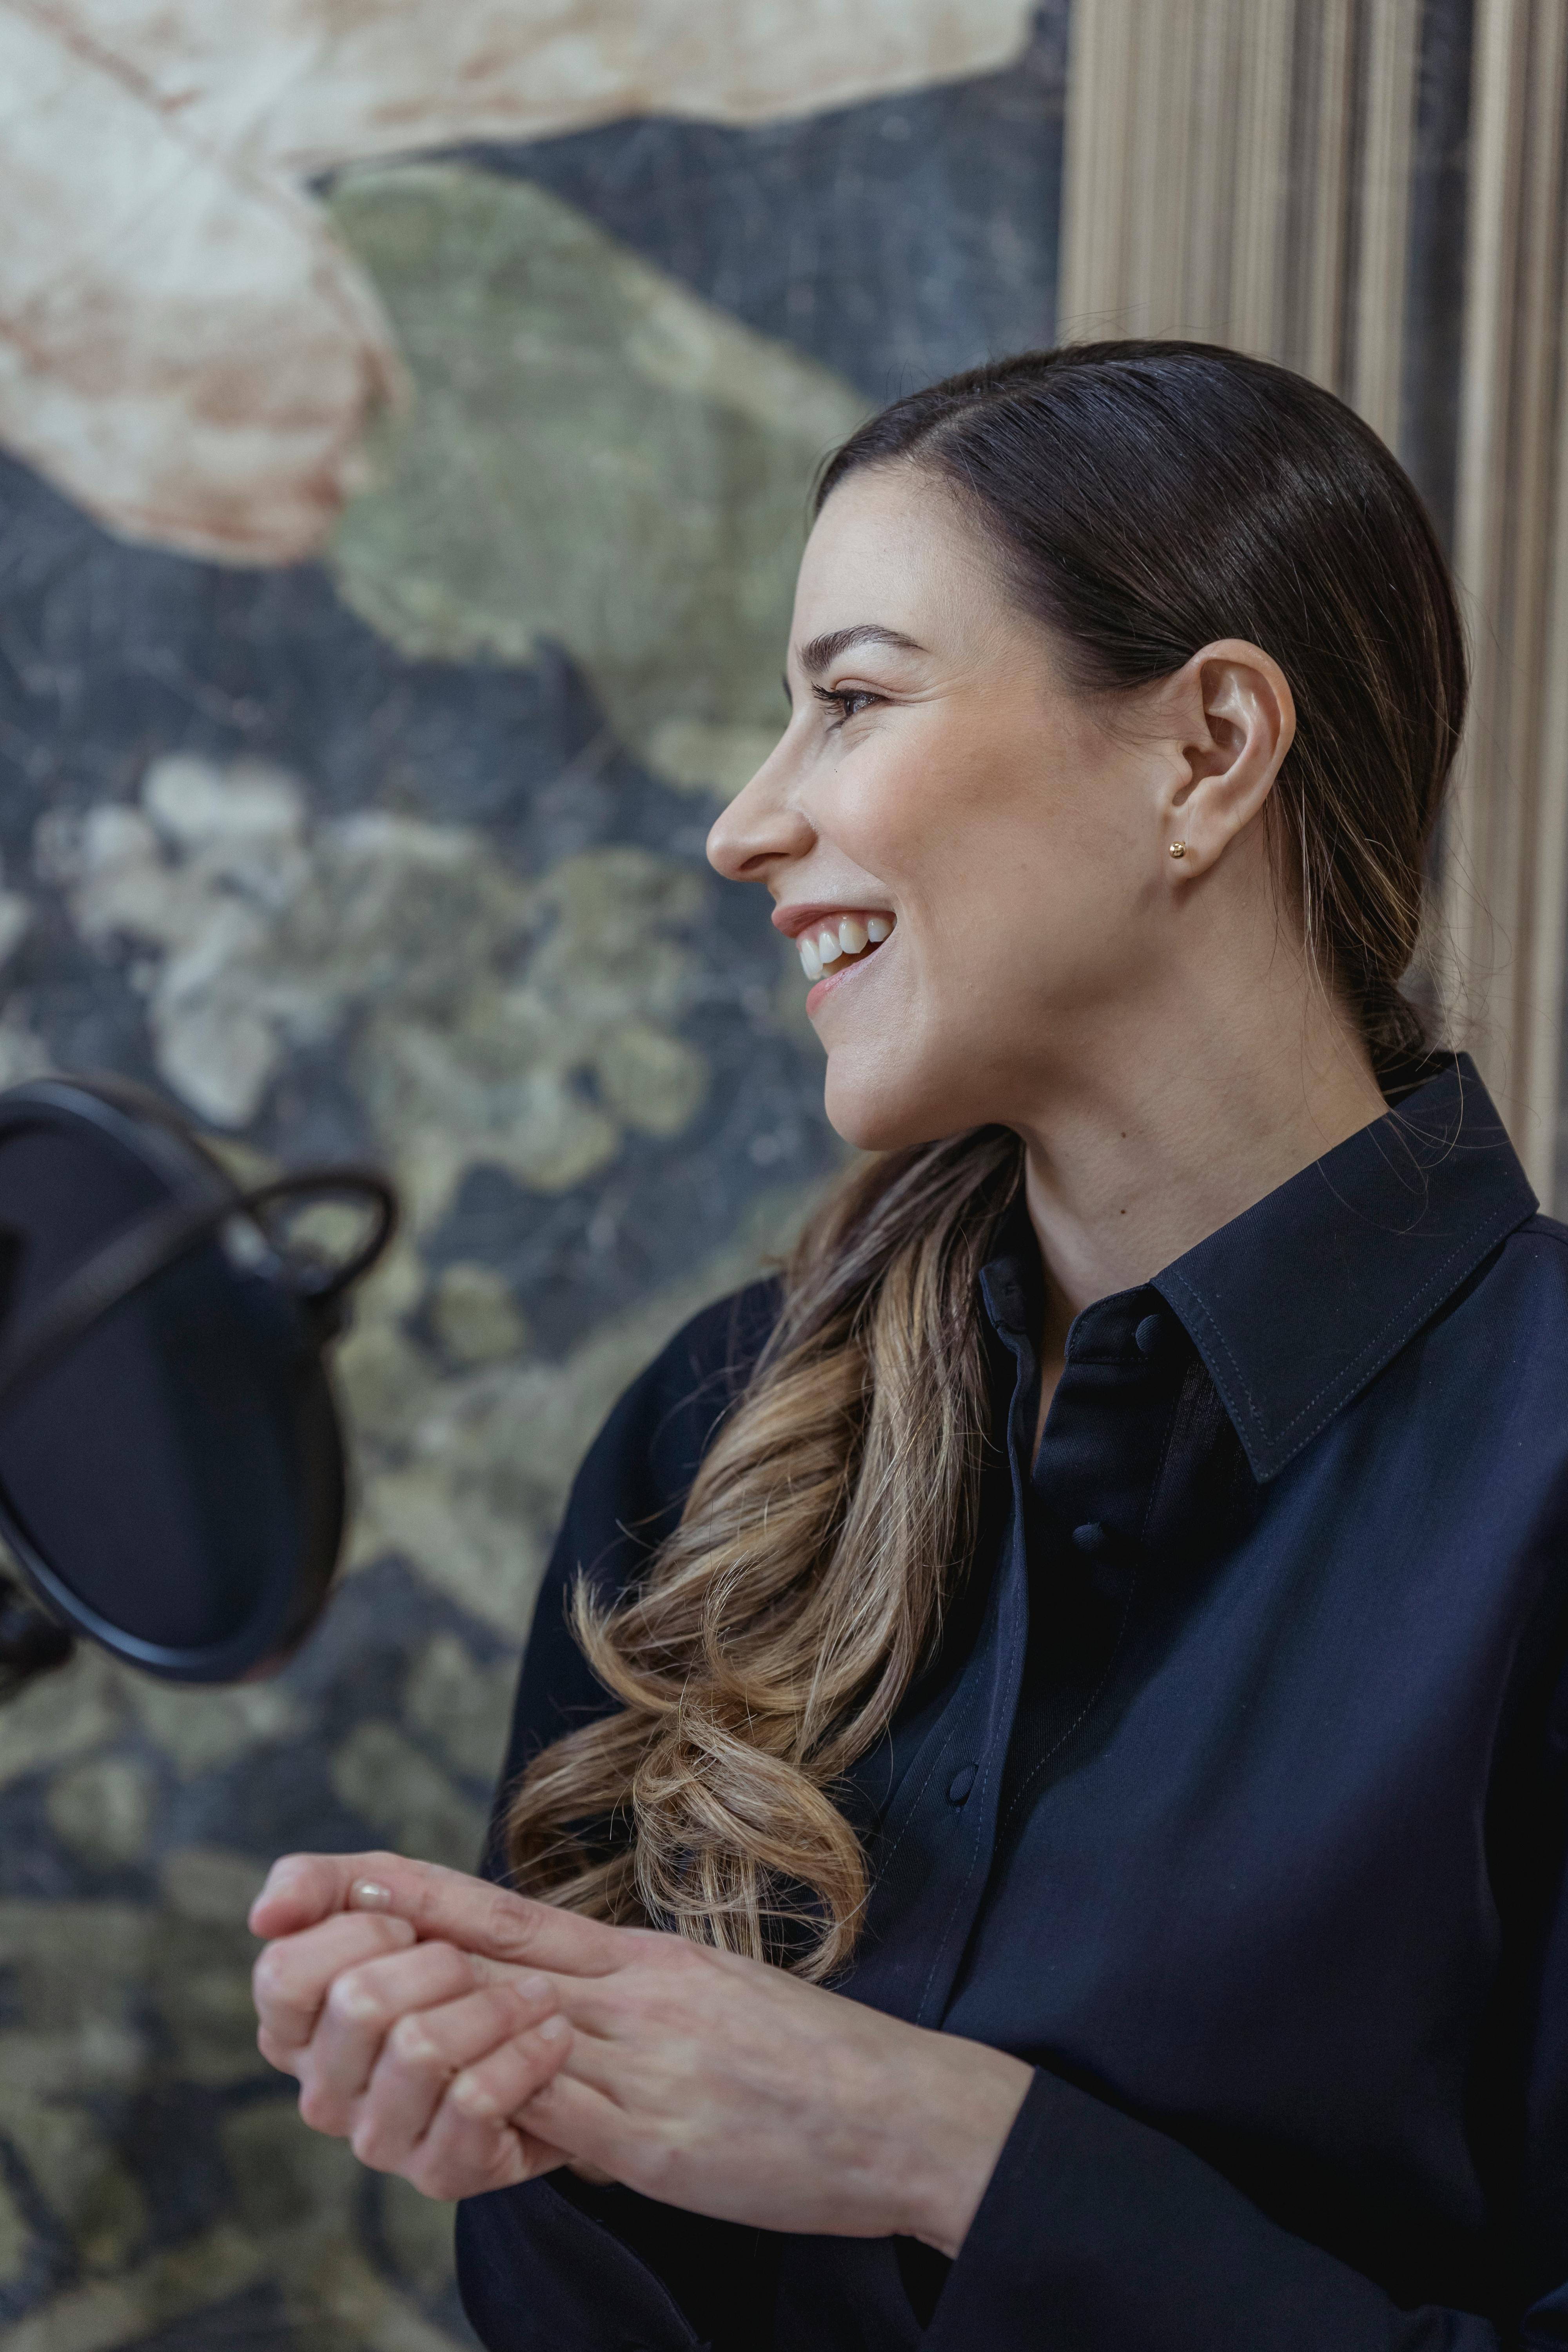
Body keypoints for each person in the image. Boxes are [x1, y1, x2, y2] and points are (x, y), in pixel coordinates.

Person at [247, 343, 1568, 2349]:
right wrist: (503, 2087)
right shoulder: (707, 1429)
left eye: (849, 700)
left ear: (1208, 747)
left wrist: (940, 2147)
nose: (741, 827)